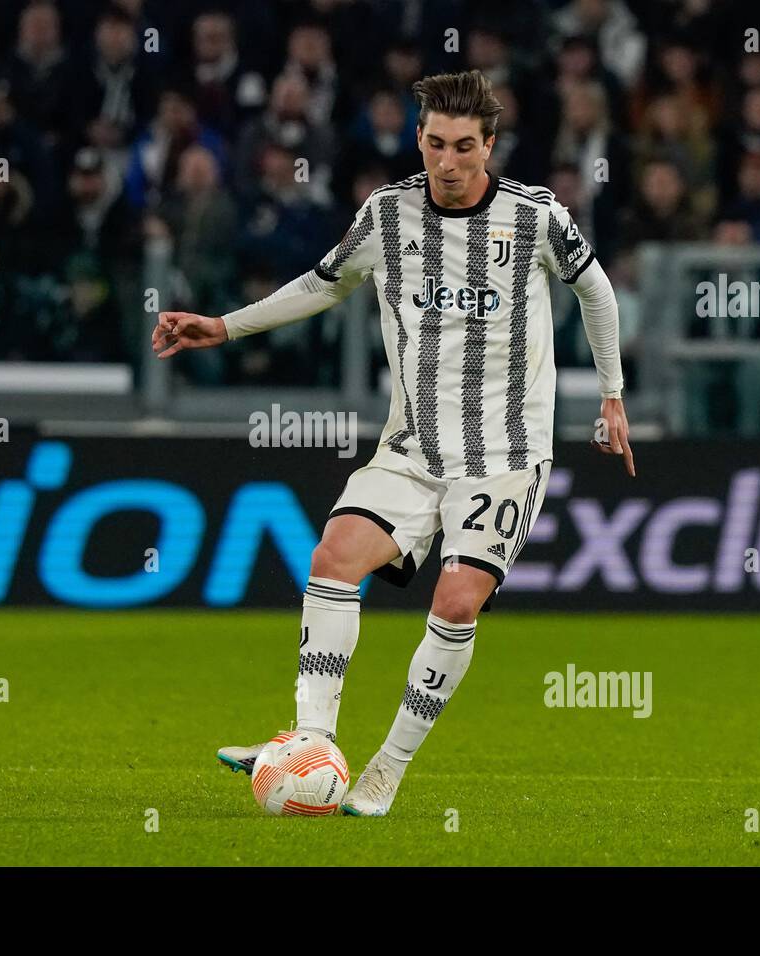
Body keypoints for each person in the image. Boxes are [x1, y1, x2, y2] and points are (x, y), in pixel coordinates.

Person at [152, 71, 634, 816]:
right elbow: (321, 284)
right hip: (410, 449)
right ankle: (311, 742)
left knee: (456, 598)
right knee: (334, 557)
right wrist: (223, 325)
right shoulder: (386, 214)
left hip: (505, 456)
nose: (448, 162)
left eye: (464, 147)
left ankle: (386, 770)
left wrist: (612, 395)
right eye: (436, 144)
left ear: (490, 146)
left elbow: (596, 290)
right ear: (418, 139)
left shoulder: (536, 217)